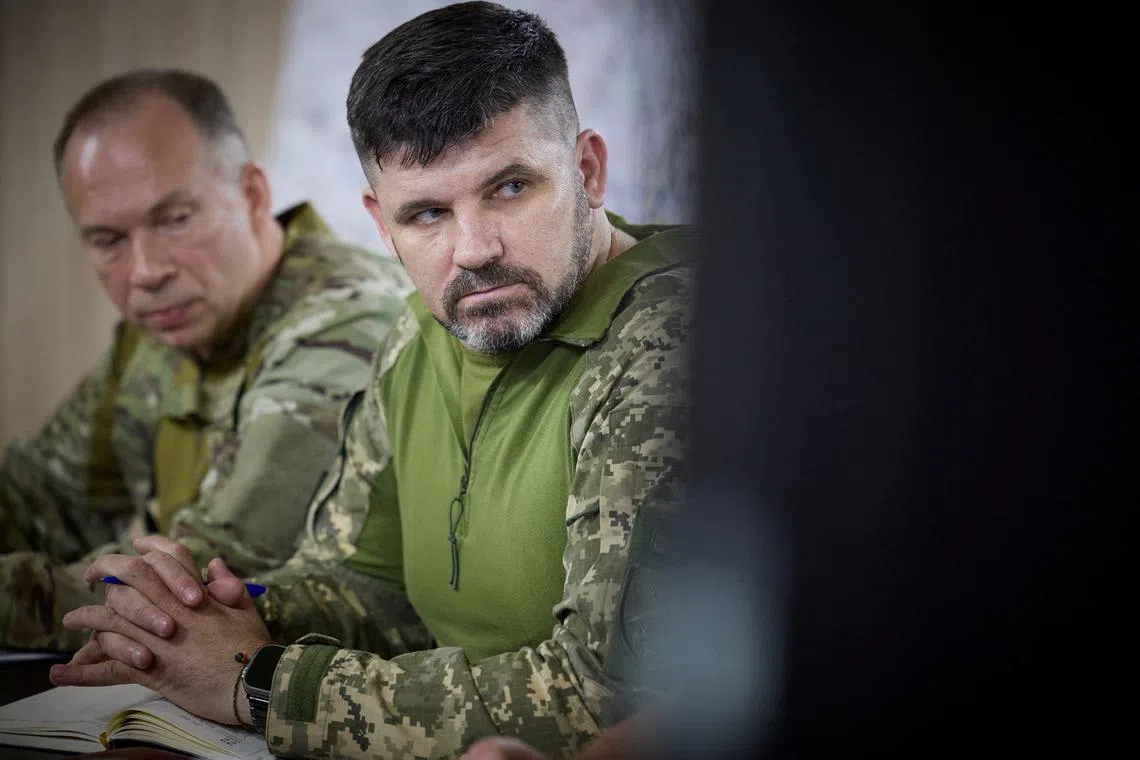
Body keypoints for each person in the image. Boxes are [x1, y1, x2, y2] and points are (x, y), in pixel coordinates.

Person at [51, 3, 693, 758]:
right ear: (381, 224)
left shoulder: (671, 345)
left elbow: (602, 694)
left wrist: (261, 682)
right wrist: (207, 616)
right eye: (426, 214)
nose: (473, 249)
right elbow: (369, 585)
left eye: (511, 187)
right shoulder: (420, 334)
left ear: (587, 170)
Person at [0, 69, 411, 651]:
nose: (145, 272)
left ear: (252, 196)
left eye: (174, 220)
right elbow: (37, 500)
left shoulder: (345, 325)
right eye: (108, 240)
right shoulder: (164, 330)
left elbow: (201, 582)